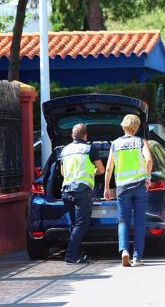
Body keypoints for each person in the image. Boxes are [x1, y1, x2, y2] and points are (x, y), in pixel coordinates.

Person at [104, 114, 153, 267]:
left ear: (123, 126)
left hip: (122, 187)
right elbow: (149, 160)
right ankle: (137, 257)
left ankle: (124, 251)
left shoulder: (115, 144)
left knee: (123, 220)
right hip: (139, 185)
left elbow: (108, 168)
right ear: (137, 127)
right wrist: (147, 177)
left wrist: (106, 187)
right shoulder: (141, 142)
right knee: (139, 222)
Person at [60, 123, 105, 264]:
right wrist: (92, 172)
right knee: (81, 224)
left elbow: (62, 172)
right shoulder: (89, 149)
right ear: (86, 136)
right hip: (82, 191)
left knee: (74, 225)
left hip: (67, 191)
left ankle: (78, 253)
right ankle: (71, 255)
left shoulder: (64, 150)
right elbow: (101, 170)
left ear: (72, 135)